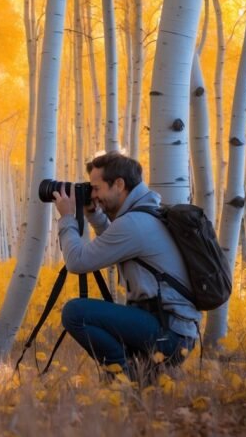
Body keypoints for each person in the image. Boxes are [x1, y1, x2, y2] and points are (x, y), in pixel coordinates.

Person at [53, 151, 199, 381]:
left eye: (97, 188)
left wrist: (67, 219)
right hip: (174, 329)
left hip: (168, 334)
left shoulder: (134, 223)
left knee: (75, 312)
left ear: (119, 184)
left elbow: (76, 262)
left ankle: (125, 379)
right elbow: (116, 241)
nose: (93, 194)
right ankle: (142, 375)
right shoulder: (147, 213)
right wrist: (93, 215)